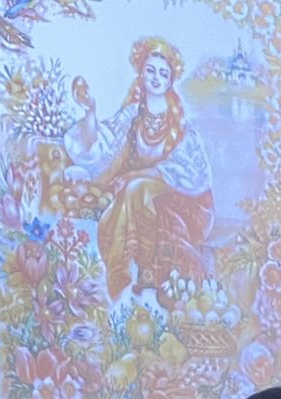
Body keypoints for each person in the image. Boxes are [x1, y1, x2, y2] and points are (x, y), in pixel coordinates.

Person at [66, 37, 213, 300]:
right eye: (150, 70)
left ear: (170, 81)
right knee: (131, 192)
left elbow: (188, 172)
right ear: (141, 73)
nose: (156, 78)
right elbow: (99, 144)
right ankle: (121, 274)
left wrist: (137, 174)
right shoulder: (132, 115)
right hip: (134, 192)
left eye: (163, 73)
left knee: (137, 187)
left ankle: (145, 269)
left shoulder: (180, 124)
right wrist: (90, 112)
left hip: (179, 198)